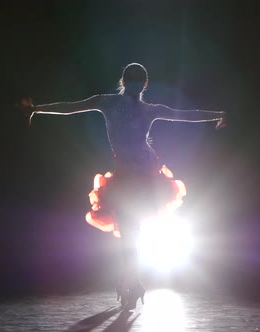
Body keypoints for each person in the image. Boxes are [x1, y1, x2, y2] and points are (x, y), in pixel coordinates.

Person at [19, 63, 226, 310]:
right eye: (134, 81)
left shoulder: (142, 108)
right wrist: (37, 110)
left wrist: (218, 114)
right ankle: (132, 281)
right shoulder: (111, 103)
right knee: (130, 233)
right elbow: (71, 108)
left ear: (139, 84)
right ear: (128, 82)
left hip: (146, 177)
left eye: (138, 81)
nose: (137, 85)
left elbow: (184, 114)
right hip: (128, 177)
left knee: (131, 232)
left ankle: (131, 280)